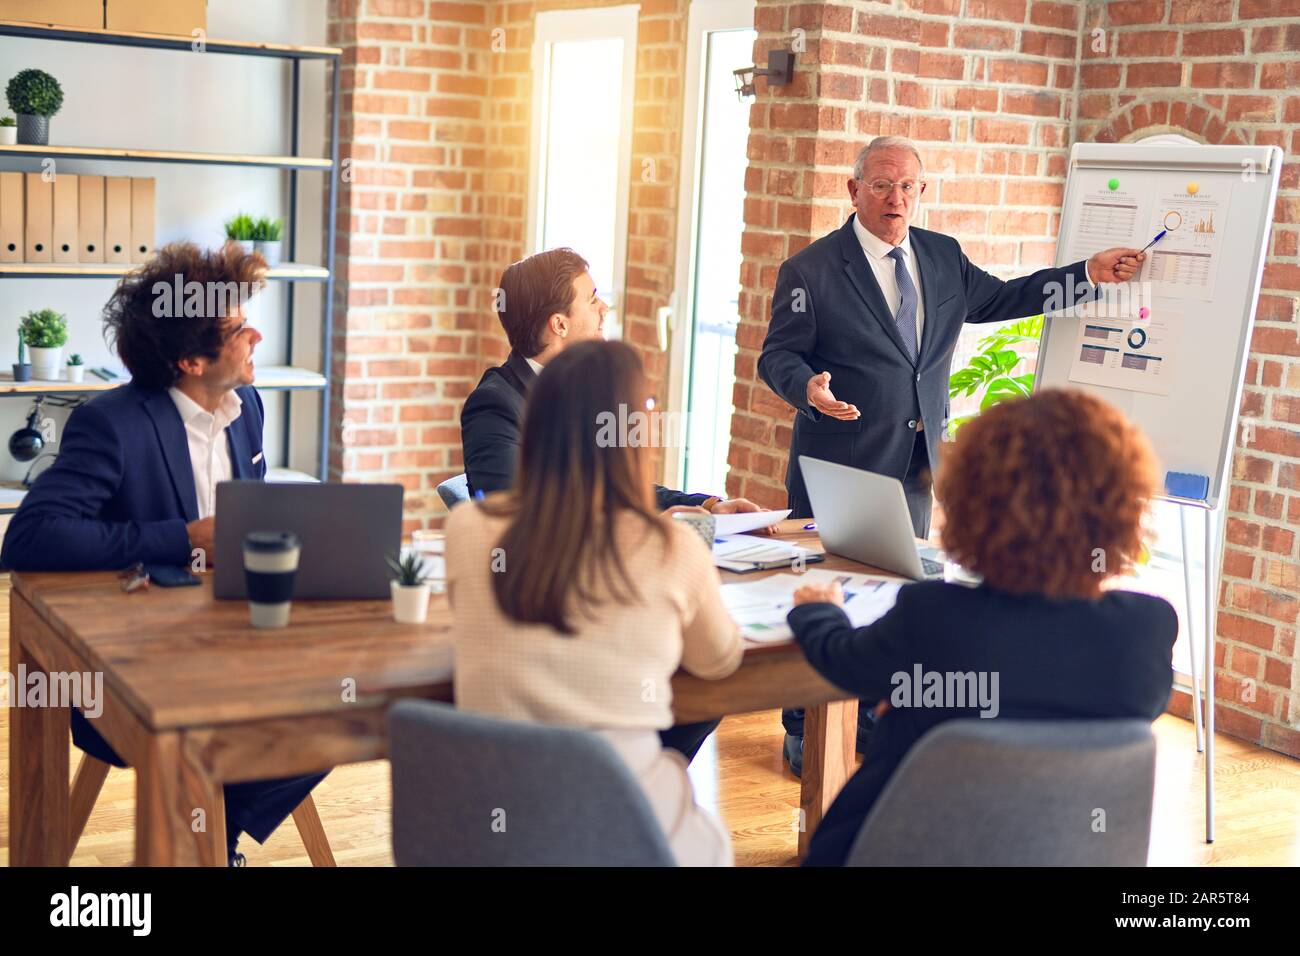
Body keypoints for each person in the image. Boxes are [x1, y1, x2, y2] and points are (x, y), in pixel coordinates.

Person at [759, 134, 1147, 774]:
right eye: (882, 184)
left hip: (915, 464)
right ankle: (803, 728)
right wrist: (807, 388)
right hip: (839, 464)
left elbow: (1005, 299)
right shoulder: (811, 271)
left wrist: (1087, 276)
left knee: (889, 597)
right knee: (827, 589)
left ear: (921, 192)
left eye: (908, 186)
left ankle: (860, 723)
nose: (895, 198)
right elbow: (777, 355)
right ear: (853, 191)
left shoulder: (941, 257)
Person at [1, 242, 327, 867]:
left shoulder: (248, 408)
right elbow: (30, 538)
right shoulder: (112, 424)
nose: (257, 334)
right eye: (238, 328)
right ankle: (206, 839)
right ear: (189, 359)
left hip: (238, 634)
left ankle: (218, 832)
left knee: (351, 699)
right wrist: (183, 536)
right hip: (138, 666)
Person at [786, 389, 1177, 866]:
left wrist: (816, 610)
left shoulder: (936, 617)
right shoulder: (1146, 631)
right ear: (1122, 513)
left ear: (973, 506)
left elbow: (843, 662)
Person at [461, 247, 768, 762]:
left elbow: (622, 488)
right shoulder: (497, 402)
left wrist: (706, 504)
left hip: (589, 627)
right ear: (559, 324)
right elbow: (514, 509)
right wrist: (646, 530)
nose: (605, 308)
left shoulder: (584, 400)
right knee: (693, 676)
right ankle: (633, 791)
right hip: (549, 616)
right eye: (593, 297)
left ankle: (629, 788)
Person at [446, 339, 742, 866]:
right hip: (626, 833)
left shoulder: (468, 529)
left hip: (489, 834)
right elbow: (720, 660)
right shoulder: (674, 547)